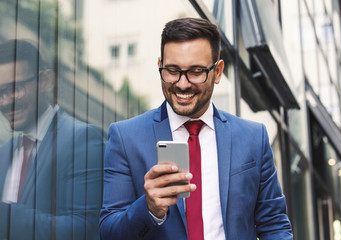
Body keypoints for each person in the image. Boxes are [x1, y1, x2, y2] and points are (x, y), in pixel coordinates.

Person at [99, 17, 293, 239]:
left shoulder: (253, 138)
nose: (182, 84)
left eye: (196, 71)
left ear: (218, 72)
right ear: (160, 64)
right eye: (172, 70)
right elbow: (108, 232)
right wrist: (149, 208)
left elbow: (275, 225)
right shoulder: (125, 138)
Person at [0, 39, 104, 239]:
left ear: (46, 81)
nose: (5, 102)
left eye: (14, 89)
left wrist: (5, 215)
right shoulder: (4, 152)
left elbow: (85, 228)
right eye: (0, 93)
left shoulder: (83, 139)